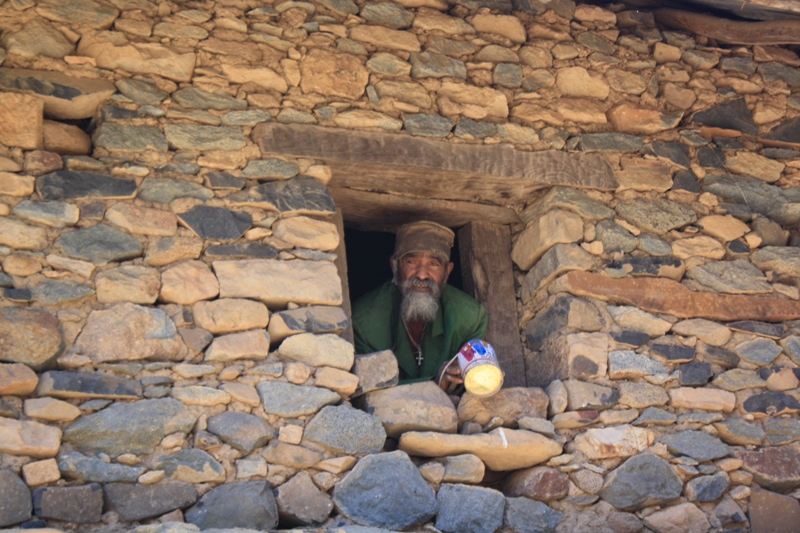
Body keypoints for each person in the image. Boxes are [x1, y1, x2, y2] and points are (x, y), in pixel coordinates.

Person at [352, 220, 488, 390]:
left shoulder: (469, 317)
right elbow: (367, 388)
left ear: (447, 271)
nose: (422, 275)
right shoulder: (365, 321)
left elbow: (476, 380)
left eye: (434, 263)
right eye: (412, 262)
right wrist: (435, 384)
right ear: (395, 266)